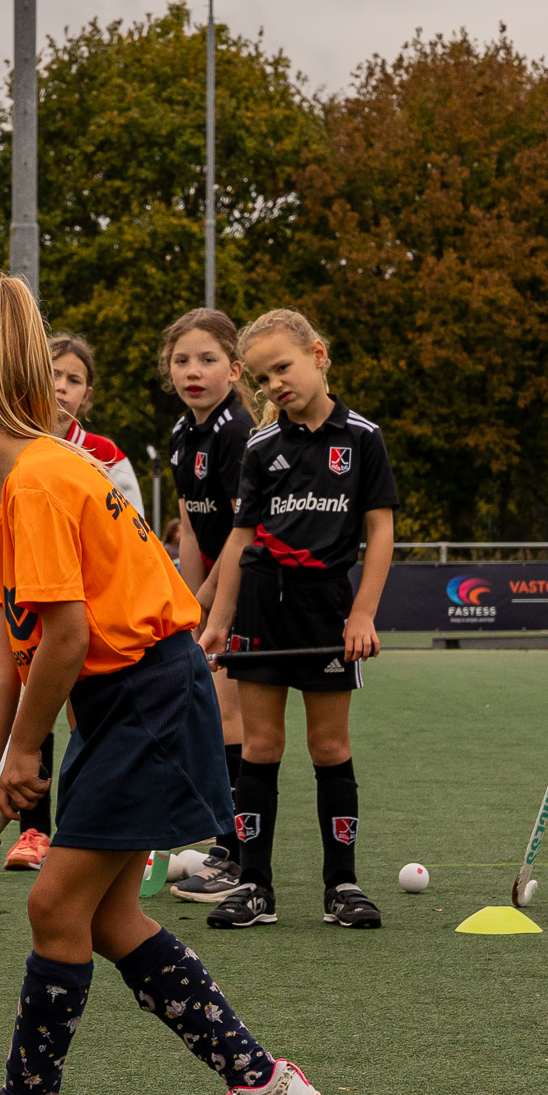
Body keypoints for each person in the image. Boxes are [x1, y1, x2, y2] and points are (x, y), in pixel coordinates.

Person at [0, 274, 321, 1095]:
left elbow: (65, 638)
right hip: (120, 703)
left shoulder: (40, 482)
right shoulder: (11, 500)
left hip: (148, 694)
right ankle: (261, 1084)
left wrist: (26, 753)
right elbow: (2, 668)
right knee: (106, 918)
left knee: (53, 904)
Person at [197, 309, 397, 929]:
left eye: (282, 367)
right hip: (261, 606)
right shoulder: (260, 446)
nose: (274, 384)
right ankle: (254, 886)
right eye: (262, 378)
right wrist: (219, 621)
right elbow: (240, 538)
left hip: (326, 610)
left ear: (319, 354)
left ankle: (343, 885)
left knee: (329, 745)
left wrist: (363, 613)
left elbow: (380, 530)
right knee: (260, 745)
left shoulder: (362, 437)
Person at [0, 331, 142, 872]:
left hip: (90, 616)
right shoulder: (1, 455)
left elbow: (132, 534)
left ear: (87, 393)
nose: (61, 387)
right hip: (30, 606)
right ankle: (35, 831)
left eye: (74, 379)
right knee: (33, 712)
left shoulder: (106, 456)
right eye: (52, 376)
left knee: (84, 718)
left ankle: (95, 829)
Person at [159, 309, 255, 907]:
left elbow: (246, 532)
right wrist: (189, 607)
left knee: (230, 717)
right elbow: (192, 527)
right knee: (213, 715)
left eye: (207, 359)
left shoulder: (236, 432)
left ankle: (239, 857)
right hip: (217, 592)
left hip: (251, 587)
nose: (192, 371)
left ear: (235, 369)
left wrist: (210, 602)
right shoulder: (182, 434)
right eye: (181, 361)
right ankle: (227, 846)